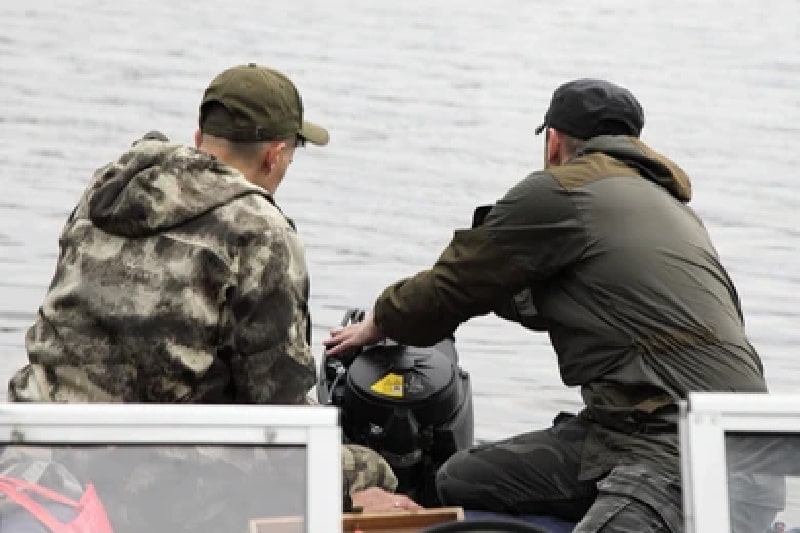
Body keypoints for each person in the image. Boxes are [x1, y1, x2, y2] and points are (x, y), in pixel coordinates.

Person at [325, 78, 773, 531]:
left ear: (554, 141)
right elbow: (533, 297)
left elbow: (452, 285)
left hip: (672, 447)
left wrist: (380, 321)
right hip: (726, 445)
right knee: (459, 480)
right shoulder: (672, 210)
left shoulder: (562, 191)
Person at [6, 63, 418, 515]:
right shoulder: (260, 232)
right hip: (138, 474)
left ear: (200, 138)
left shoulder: (107, 191)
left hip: (36, 440)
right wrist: (351, 487)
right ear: (274, 155)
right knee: (374, 471)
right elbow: (280, 416)